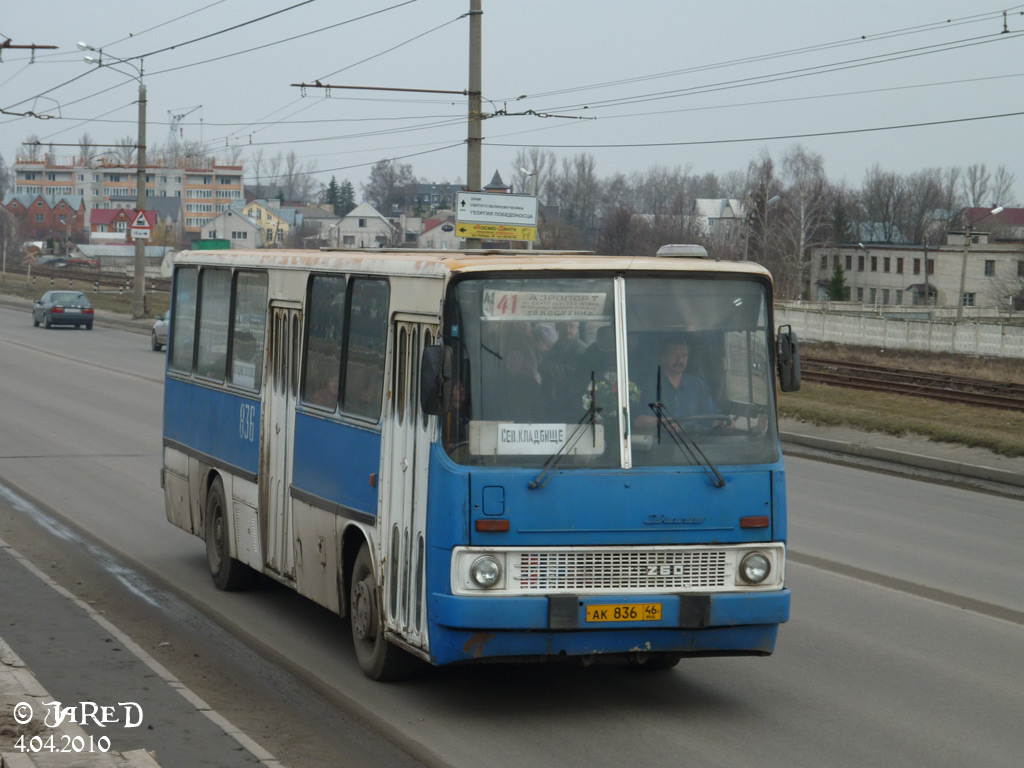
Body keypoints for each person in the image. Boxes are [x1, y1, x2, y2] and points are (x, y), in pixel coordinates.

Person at [634, 335, 724, 431]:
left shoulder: (698, 386)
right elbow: (638, 421)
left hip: (697, 443)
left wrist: (724, 423)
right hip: (660, 444)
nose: (680, 360)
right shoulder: (649, 386)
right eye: (674, 354)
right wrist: (665, 422)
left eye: (684, 355)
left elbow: (712, 417)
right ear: (663, 357)